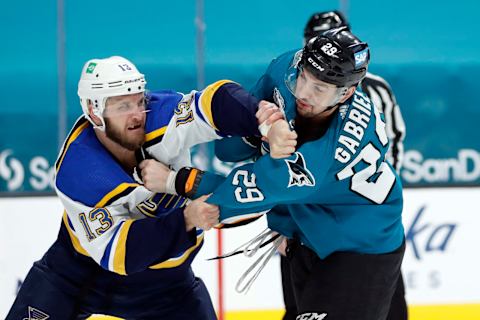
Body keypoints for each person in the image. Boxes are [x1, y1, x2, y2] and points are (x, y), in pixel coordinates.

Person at [142, 27, 405, 320]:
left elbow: (250, 192)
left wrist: (174, 180)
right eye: (303, 76)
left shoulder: (324, 155)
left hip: (361, 250)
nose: (303, 92)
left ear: (347, 93)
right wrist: (261, 129)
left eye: (319, 88)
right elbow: (229, 151)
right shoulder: (285, 68)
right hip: (308, 230)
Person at [6, 56, 275, 320]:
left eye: (139, 101)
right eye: (122, 106)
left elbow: (216, 100)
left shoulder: (160, 115)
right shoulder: (80, 170)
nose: (137, 115)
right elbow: (123, 255)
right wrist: (186, 219)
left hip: (167, 286)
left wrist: (262, 118)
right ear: (93, 111)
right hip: (78, 277)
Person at [294, 11, 408, 320]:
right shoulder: (298, 86)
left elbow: (393, 144)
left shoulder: (372, 91)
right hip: (308, 223)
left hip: (359, 224)